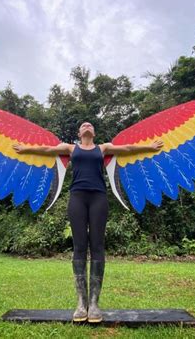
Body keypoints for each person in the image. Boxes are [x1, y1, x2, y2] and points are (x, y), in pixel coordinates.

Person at [13, 122, 163, 322]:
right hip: (77, 197)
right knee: (79, 245)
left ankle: (94, 303)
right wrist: (25, 149)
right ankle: (81, 303)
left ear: (94, 132)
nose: (87, 126)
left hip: (99, 198)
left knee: (98, 245)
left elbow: (128, 149)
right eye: (84, 125)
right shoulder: (70, 148)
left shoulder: (102, 148)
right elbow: (47, 149)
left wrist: (149, 147)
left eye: (90, 125)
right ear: (79, 132)